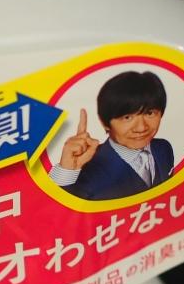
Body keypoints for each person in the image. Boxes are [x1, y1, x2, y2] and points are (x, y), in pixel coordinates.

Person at [49, 70, 173, 201]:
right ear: (105, 122)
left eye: (150, 113)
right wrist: (67, 171)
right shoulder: (86, 167)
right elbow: (52, 209)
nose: (141, 128)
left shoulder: (163, 148)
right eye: (127, 117)